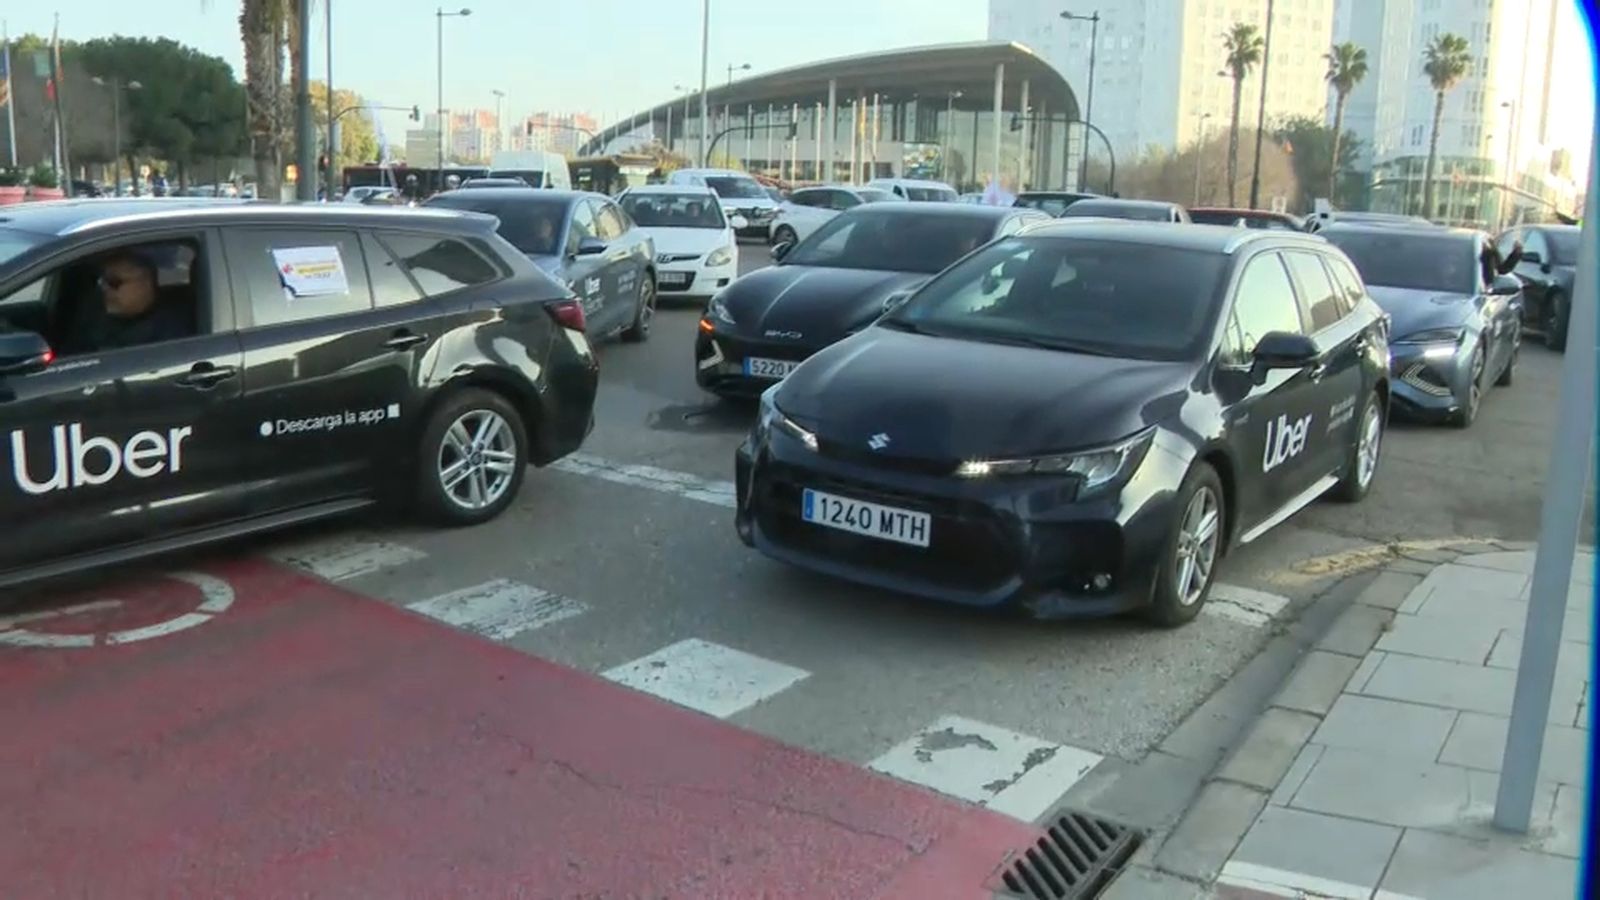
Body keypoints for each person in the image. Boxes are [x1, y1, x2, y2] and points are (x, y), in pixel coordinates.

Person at [59, 250, 194, 355]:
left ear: (144, 283)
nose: (105, 289)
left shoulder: (172, 331)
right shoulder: (93, 316)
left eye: (114, 282)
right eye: (102, 281)